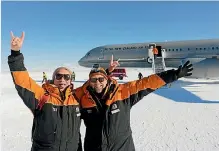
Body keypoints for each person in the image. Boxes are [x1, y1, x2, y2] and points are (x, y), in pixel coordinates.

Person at [74, 59, 193, 151]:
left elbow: (145, 83)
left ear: (107, 79)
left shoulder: (123, 92)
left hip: (122, 147)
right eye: (93, 80)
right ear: (89, 82)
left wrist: (174, 74)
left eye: (101, 79)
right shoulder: (82, 97)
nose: (97, 83)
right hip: (95, 148)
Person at [8, 31, 83, 151]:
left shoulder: (77, 99)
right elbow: (23, 81)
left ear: (70, 80)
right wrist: (15, 53)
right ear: (53, 79)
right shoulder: (42, 96)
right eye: (58, 76)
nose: (62, 80)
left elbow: (97, 85)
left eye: (66, 77)